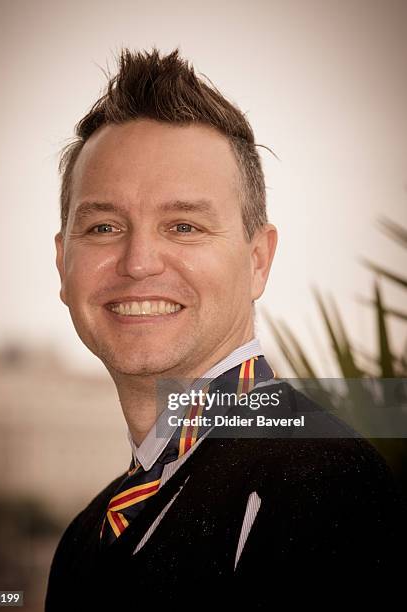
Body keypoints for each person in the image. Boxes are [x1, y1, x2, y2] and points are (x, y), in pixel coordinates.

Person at [45, 48, 404, 609]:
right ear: (63, 263)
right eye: (105, 225)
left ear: (258, 260)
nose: (138, 262)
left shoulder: (321, 483)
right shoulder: (85, 539)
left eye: (183, 225)